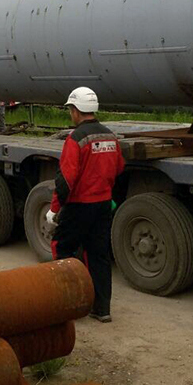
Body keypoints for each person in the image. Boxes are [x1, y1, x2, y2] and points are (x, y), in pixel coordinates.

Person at [46, 87, 124, 322]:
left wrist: (55, 209)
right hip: (102, 205)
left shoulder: (76, 138)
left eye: (70, 109)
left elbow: (66, 179)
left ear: (76, 111)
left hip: (80, 205)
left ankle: (67, 305)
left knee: (62, 249)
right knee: (98, 255)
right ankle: (102, 309)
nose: (71, 114)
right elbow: (118, 168)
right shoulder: (110, 135)